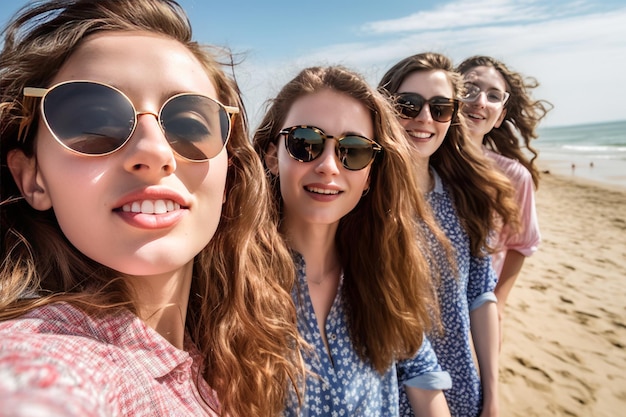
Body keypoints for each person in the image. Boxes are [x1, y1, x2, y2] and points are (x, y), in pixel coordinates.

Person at [0, 1, 304, 416]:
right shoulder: (51, 359)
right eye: (93, 122)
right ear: (33, 177)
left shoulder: (225, 351)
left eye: (189, 124)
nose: (155, 151)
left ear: (228, 173)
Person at [253, 65, 452, 416]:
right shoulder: (232, 282)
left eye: (354, 150)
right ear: (273, 156)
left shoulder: (384, 270)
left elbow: (421, 370)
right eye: (305, 143)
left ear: (370, 174)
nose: (329, 165)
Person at [378, 52, 519, 417]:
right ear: (386, 108)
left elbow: (481, 295)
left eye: (440, 107)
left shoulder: (466, 196)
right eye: (408, 105)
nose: (425, 118)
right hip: (384, 391)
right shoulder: (361, 199)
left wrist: (492, 393)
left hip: (459, 384)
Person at [456, 56, 552, 325]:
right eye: (469, 89)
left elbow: (523, 244)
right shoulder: (421, 162)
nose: (480, 101)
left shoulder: (513, 176)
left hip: (476, 313)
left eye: (494, 96)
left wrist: (498, 303)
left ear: (500, 117)